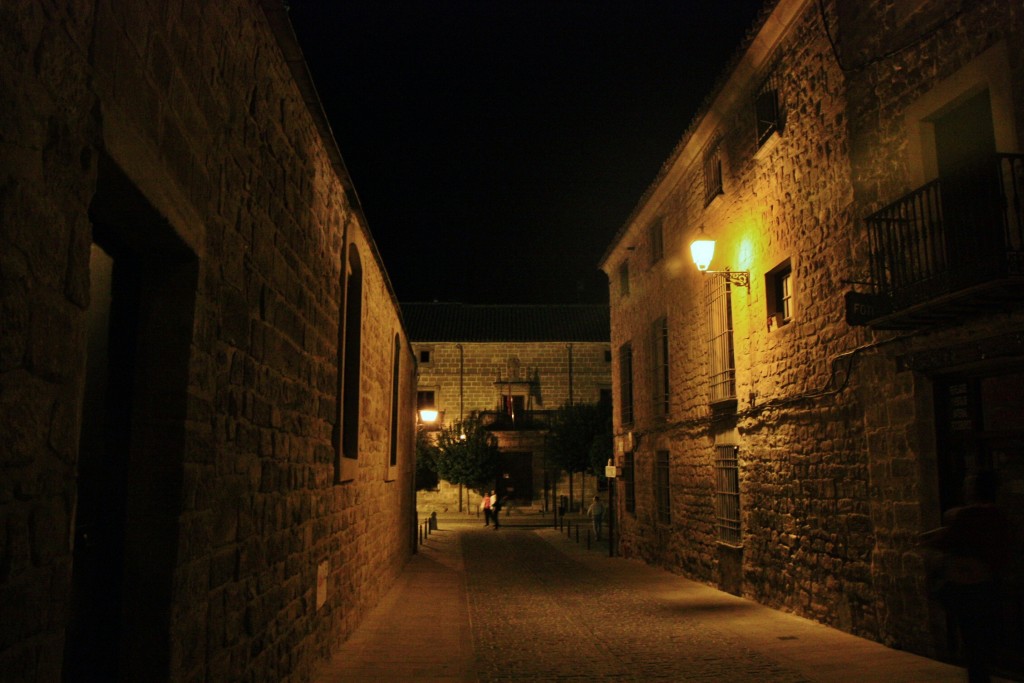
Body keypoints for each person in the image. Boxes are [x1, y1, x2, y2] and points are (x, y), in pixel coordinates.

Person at [920, 470, 1013, 683]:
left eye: (969, 485)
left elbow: (947, 540)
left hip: (968, 585)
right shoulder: (999, 516)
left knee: (972, 640)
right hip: (988, 583)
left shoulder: (965, 516)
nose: (964, 489)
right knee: (984, 637)